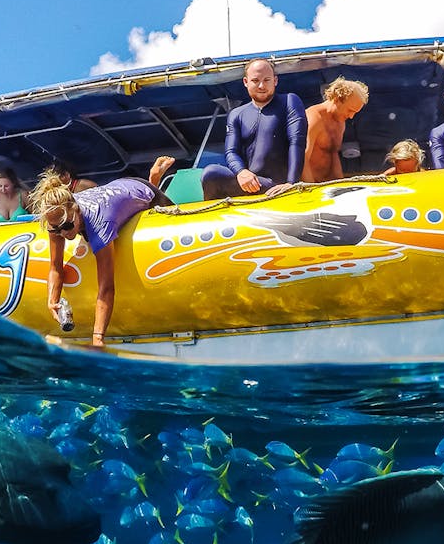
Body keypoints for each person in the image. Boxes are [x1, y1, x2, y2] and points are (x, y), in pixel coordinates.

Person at [33, 157, 174, 347]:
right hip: (117, 190)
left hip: (142, 192)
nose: (63, 234)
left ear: (76, 211)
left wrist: (98, 338)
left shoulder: (100, 224)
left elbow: (107, 288)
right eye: (56, 229)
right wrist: (52, 300)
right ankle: (153, 178)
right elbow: (55, 267)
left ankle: (153, 179)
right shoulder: (57, 217)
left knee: (148, 203)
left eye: (67, 226)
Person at [199, 59, 307, 200]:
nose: (261, 85)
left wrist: (291, 182)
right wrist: (241, 172)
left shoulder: (289, 102)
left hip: (276, 186)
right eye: (255, 80)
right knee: (211, 173)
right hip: (250, 183)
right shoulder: (236, 114)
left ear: (275, 81)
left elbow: (297, 142)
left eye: (267, 80)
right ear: (246, 82)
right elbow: (231, 151)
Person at [302, 78, 369, 183]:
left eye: (355, 112)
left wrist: (341, 183)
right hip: (312, 188)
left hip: (330, 187)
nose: (351, 116)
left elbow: (333, 154)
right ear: (337, 99)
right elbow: (302, 158)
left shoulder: (340, 122)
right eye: (350, 110)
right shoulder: (313, 119)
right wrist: (310, 189)